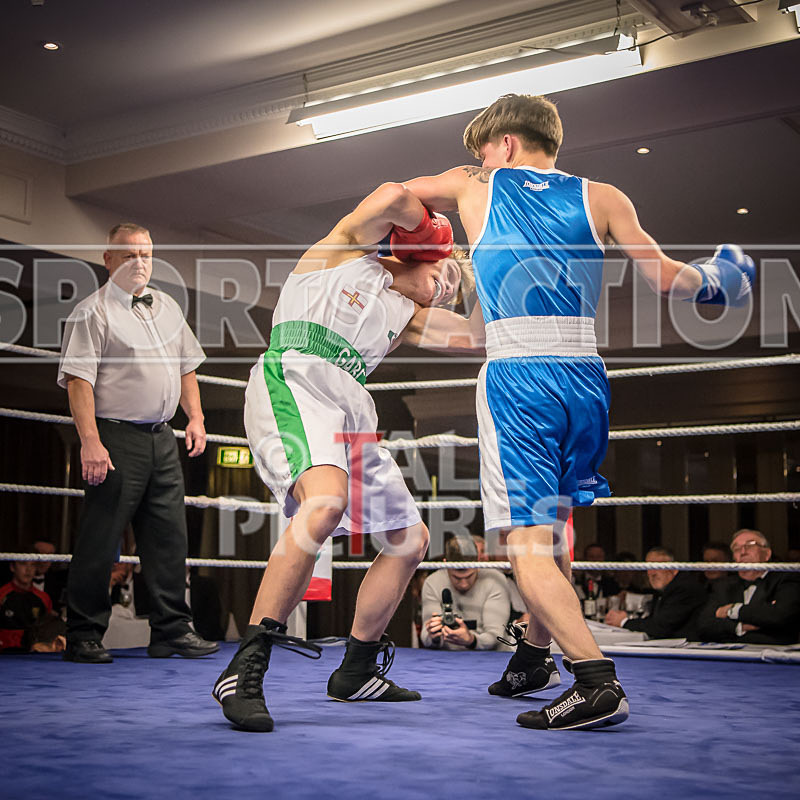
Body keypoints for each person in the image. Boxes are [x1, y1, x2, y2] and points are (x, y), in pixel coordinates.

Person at [400, 93, 755, 730]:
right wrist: (720, 279)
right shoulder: (605, 196)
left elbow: (399, 196)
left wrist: (394, 254)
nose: (478, 160)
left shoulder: (476, 185)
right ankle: (535, 656)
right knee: (556, 526)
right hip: (585, 377)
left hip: (520, 378)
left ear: (503, 144)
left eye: (482, 149)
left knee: (525, 544)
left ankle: (595, 681)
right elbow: (672, 280)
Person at [212, 183, 479, 732]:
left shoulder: (407, 315)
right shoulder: (343, 251)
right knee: (324, 504)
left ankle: (356, 669)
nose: (445, 292)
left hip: (351, 404)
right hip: (297, 376)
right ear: (415, 251)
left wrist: (503, 280)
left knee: (410, 539)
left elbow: (476, 336)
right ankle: (246, 664)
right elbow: (390, 195)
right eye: (445, 278)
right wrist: (439, 225)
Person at [58, 223, 219, 664]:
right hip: (115, 436)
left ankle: (171, 630)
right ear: (108, 260)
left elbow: (187, 367)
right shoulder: (92, 313)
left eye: (146, 254)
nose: (140, 262)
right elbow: (78, 381)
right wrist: (90, 442)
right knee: (101, 535)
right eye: (129, 255)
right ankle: (84, 634)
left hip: (162, 437)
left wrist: (197, 417)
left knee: (169, 537)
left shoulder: (165, 306)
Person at [695, 529, 800, 645]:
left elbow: (780, 617)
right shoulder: (723, 586)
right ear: (734, 558)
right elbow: (704, 625)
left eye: (750, 545)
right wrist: (740, 627)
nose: (743, 552)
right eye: (736, 548)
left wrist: (733, 610)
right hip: (731, 656)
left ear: (767, 554)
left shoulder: (786, 579)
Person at [420, 538, 510, 650]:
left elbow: (495, 635)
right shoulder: (432, 582)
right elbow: (426, 635)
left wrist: (471, 640)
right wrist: (434, 637)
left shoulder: (495, 580)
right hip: (446, 659)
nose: (463, 584)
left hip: (490, 657)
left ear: (478, 562)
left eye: (469, 576)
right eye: (456, 577)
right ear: (445, 564)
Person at [604, 547, 707, 639]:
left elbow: (661, 627)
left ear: (673, 569)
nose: (651, 573)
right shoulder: (664, 589)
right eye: (648, 568)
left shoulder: (684, 587)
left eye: (656, 567)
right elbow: (654, 621)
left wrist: (624, 621)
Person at [0, 560, 66, 652]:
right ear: (12, 567)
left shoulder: (43, 598)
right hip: (4, 652)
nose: (28, 569)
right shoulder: (2, 595)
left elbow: (48, 630)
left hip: (35, 654)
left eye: (33, 565)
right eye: (23, 564)